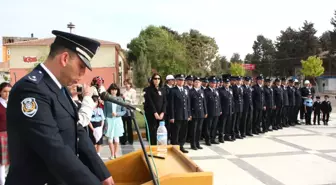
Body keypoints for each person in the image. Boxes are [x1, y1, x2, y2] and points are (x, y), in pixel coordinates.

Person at [6, 30, 114, 185]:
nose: (83, 74)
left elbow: (78, 132)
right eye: (81, 66)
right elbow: (53, 149)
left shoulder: (59, 89)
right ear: (64, 58)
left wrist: (102, 173)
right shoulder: (31, 90)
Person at [104, 84, 126, 159]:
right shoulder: (107, 99)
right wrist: (105, 120)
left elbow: (124, 111)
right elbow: (105, 111)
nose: (114, 91)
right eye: (112, 90)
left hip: (117, 120)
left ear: (117, 91)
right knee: (110, 139)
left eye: (115, 90)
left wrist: (117, 114)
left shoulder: (120, 99)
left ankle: (115, 153)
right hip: (109, 120)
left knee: (116, 138)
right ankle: (112, 154)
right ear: (110, 90)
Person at [169, 74, 191, 153]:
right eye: (180, 80)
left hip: (185, 115)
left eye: (182, 80)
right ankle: (175, 147)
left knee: (183, 132)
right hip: (177, 115)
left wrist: (189, 114)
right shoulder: (173, 90)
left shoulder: (185, 89)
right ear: (176, 81)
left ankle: (181, 146)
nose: (181, 81)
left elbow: (188, 103)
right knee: (176, 132)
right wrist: (172, 116)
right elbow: (171, 104)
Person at [144, 73, 166, 145]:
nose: (157, 80)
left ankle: (160, 146)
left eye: (158, 78)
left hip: (161, 115)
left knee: (160, 132)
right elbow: (150, 102)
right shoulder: (149, 90)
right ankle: (153, 147)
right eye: (155, 79)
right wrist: (155, 113)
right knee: (153, 132)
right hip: (152, 114)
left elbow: (165, 102)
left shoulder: (162, 89)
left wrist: (162, 112)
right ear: (152, 80)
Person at [189, 77, 207, 149]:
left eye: (198, 82)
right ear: (193, 83)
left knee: (199, 129)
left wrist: (205, 111)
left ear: (200, 83)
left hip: (201, 113)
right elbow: (189, 104)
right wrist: (190, 114)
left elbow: (204, 102)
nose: (197, 83)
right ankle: (193, 144)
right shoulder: (191, 92)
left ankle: (197, 143)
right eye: (196, 82)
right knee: (193, 129)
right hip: (194, 113)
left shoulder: (202, 91)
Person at [0, 82, 11, 185]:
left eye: (9, 92)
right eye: (4, 91)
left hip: (11, 135)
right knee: (1, 163)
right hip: (1, 136)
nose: (7, 94)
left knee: (10, 161)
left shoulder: (12, 104)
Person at [120, 79, 137, 145]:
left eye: (127, 84)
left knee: (129, 125)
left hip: (130, 110)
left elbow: (134, 101)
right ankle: (123, 140)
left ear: (130, 84)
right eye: (125, 84)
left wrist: (126, 98)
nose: (126, 85)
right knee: (123, 125)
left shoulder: (133, 91)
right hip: (123, 109)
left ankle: (130, 140)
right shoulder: (123, 91)